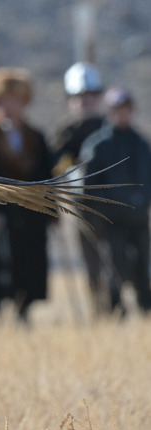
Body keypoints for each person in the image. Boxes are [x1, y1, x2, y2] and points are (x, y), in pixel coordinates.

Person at [0, 67, 54, 323]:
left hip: (31, 214)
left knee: (29, 263)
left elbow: (47, 175)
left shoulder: (37, 137)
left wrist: (51, 211)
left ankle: (24, 311)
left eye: (15, 100)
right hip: (0, 212)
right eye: (4, 101)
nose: (10, 106)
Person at [79, 86, 151, 317]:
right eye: (117, 110)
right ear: (109, 112)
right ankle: (116, 312)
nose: (122, 114)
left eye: (126, 109)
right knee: (114, 268)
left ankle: (145, 310)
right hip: (110, 222)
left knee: (143, 267)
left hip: (139, 218)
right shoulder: (97, 145)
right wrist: (104, 209)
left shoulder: (141, 144)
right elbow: (87, 186)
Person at [50, 62, 107, 315]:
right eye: (78, 97)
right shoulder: (65, 132)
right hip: (82, 207)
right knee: (91, 260)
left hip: (114, 205)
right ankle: (99, 308)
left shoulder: (109, 127)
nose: (83, 101)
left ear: (97, 97)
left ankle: (118, 305)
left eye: (88, 96)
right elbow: (54, 168)